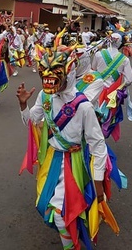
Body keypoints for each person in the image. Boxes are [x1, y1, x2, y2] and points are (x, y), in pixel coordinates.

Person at [16, 37, 114, 249]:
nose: (49, 79)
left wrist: (98, 184)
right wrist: (23, 106)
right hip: (51, 160)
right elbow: (32, 121)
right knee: (44, 206)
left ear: (68, 72)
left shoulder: (83, 106)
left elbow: (98, 146)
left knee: (60, 214)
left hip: (74, 162)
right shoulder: (45, 96)